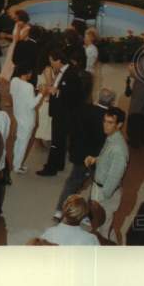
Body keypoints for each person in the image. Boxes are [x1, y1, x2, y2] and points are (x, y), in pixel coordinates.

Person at [52, 87, 113, 218]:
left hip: (80, 154)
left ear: (98, 97)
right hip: (96, 158)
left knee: (72, 182)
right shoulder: (109, 119)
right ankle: (88, 216)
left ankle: (59, 210)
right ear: (111, 102)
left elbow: (73, 130)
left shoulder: (84, 110)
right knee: (95, 186)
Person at [85, 108, 130, 242]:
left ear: (119, 125)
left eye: (110, 122)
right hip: (99, 188)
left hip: (105, 193)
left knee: (104, 229)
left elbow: (114, 178)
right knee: (99, 225)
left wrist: (101, 198)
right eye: (105, 121)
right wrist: (95, 159)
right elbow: (107, 158)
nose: (105, 125)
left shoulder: (119, 149)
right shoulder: (111, 138)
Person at [37, 49, 82, 176]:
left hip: (63, 114)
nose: (51, 64)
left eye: (52, 61)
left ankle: (51, 168)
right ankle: (59, 164)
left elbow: (75, 94)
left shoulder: (71, 74)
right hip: (59, 112)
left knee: (56, 142)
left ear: (58, 60)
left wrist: (57, 92)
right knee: (59, 141)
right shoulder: (64, 71)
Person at [9, 65, 42, 174]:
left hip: (18, 114)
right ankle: (17, 166)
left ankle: (15, 163)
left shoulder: (14, 81)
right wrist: (42, 93)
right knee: (23, 142)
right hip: (27, 118)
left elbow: (13, 95)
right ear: (27, 73)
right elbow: (32, 105)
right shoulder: (28, 86)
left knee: (18, 141)